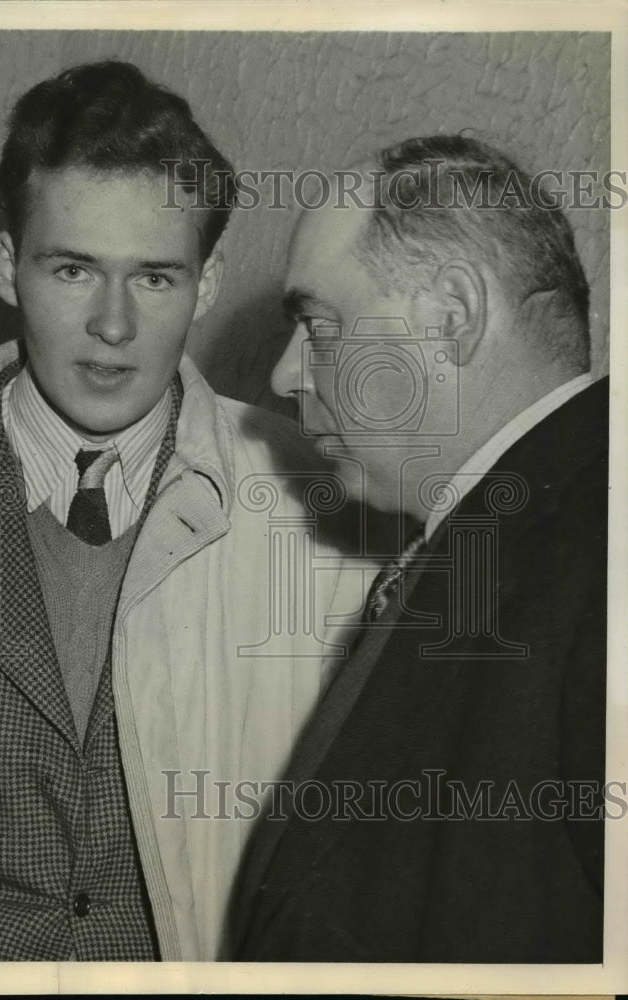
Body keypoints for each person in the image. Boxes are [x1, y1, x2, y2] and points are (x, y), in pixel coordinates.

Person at [0, 60, 360, 961]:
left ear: (208, 282)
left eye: (154, 278)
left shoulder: (321, 505)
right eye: (74, 269)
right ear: (8, 266)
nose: (112, 325)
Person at [230, 135, 608, 962]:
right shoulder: (509, 537)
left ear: (451, 317)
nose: (286, 376)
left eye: (319, 326)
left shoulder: (601, 554)